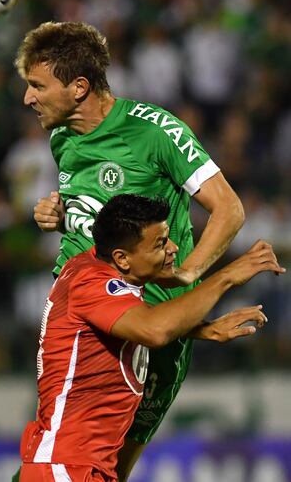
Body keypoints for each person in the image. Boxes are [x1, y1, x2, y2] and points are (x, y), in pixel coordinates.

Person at [15, 21, 246, 481]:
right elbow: (106, 216)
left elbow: (229, 209)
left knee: (103, 468)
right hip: (91, 317)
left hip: (158, 325)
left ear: (79, 87)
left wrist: (190, 273)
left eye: (37, 86)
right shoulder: (61, 135)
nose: (28, 99)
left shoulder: (157, 132)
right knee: (61, 451)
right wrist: (64, 212)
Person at [19, 193, 283, 482]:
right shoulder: (92, 284)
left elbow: (130, 320)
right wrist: (227, 277)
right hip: (65, 467)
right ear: (122, 258)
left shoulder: (98, 270)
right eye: (159, 244)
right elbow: (155, 330)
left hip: (79, 467)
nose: (173, 249)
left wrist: (202, 329)